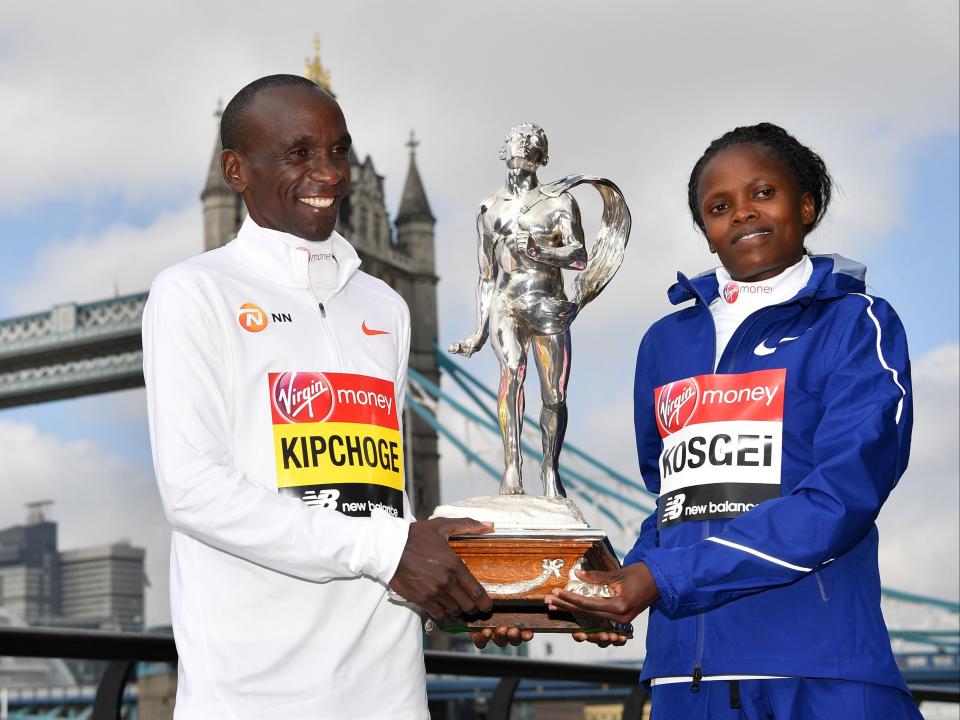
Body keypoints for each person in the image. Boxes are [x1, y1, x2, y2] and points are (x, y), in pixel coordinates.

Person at [143, 74, 493, 720]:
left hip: (391, 691)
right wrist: (388, 549)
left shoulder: (386, 307)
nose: (328, 172)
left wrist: (448, 566)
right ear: (235, 171)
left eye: (338, 152)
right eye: (299, 153)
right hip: (255, 696)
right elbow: (192, 489)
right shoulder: (192, 293)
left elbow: (378, 491)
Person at [546, 123, 921, 718]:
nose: (742, 214)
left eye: (763, 194)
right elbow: (675, 500)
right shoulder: (665, 343)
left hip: (821, 671)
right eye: (719, 207)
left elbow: (841, 496)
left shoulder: (857, 324)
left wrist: (658, 579)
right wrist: (610, 586)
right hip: (682, 681)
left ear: (808, 205)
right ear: (706, 232)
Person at [449, 123, 586, 498]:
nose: (524, 144)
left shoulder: (558, 203)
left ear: (543, 156)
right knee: (511, 373)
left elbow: (578, 257)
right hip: (506, 305)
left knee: (554, 395)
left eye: (533, 142)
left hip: (548, 304)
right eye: (517, 139)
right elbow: (486, 274)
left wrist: (540, 249)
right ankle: (512, 468)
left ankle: (550, 470)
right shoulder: (488, 208)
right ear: (503, 150)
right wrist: (478, 331)